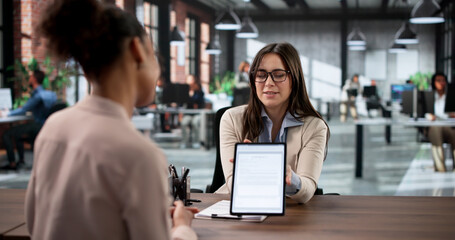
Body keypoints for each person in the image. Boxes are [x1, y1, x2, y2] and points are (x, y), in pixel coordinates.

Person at [25, 1, 197, 239]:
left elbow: (36, 224)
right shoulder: (140, 155)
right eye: (154, 53)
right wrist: (182, 227)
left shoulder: (53, 127)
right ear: (137, 49)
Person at [215, 43, 330, 204]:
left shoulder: (314, 127)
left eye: (278, 74)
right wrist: (265, 172)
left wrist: (289, 179)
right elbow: (234, 185)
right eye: (261, 75)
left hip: (291, 214)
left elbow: (307, 190)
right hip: (238, 210)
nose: (268, 82)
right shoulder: (231, 119)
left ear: (294, 79)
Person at [0, 69, 57, 170]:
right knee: (17, 133)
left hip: (37, 126)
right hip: (46, 126)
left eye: (30, 77)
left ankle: (12, 164)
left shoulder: (38, 95)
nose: (29, 79)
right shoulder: (50, 94)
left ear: (34, 79)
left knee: (7, 134)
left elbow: (24, 109)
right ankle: (21, 161)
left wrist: (6, 113)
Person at [425, 73, 455, 172]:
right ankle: (440, 168)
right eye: (438, 80)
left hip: (449, 125)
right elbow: (424, 112)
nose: (441, 83)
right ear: (434, 82)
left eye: (443, 80)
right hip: (435, 124)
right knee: (435, 132)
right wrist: (429, 116)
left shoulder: (451, 96)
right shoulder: (429, 96)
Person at [181, 75, 205, 148]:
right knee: (184, 123)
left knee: (195, 123)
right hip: (188, 113)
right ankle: (184, 142)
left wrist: (193, 92)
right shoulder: (184, 91)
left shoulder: (199, 91)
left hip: (197, 113)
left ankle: (196, 141)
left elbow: (197, 100)